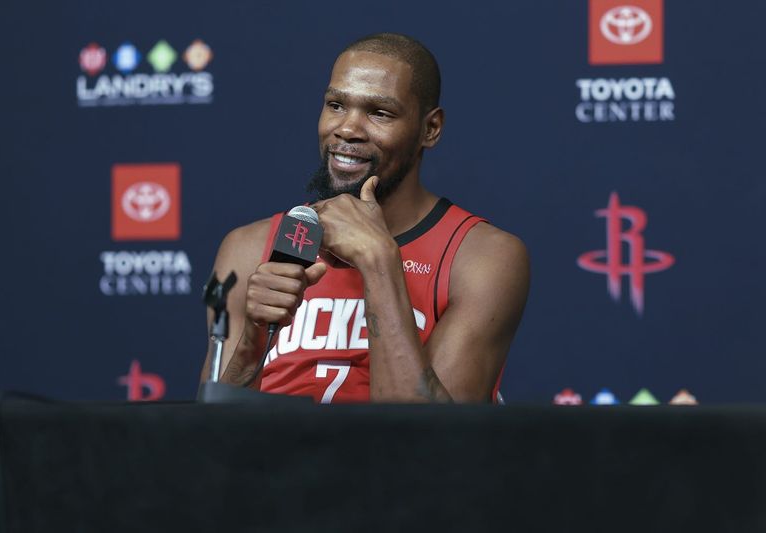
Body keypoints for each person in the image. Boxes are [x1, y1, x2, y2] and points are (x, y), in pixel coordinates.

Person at [200, 33, 529, 403]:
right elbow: (214, 441)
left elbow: (435, 446)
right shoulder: (248, 248)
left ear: (430, 129)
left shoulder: (482, 257)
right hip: (275, 462)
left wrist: (377, 260)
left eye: (379, 113)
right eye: (336, 105)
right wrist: (254, 341)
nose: (348, 129)